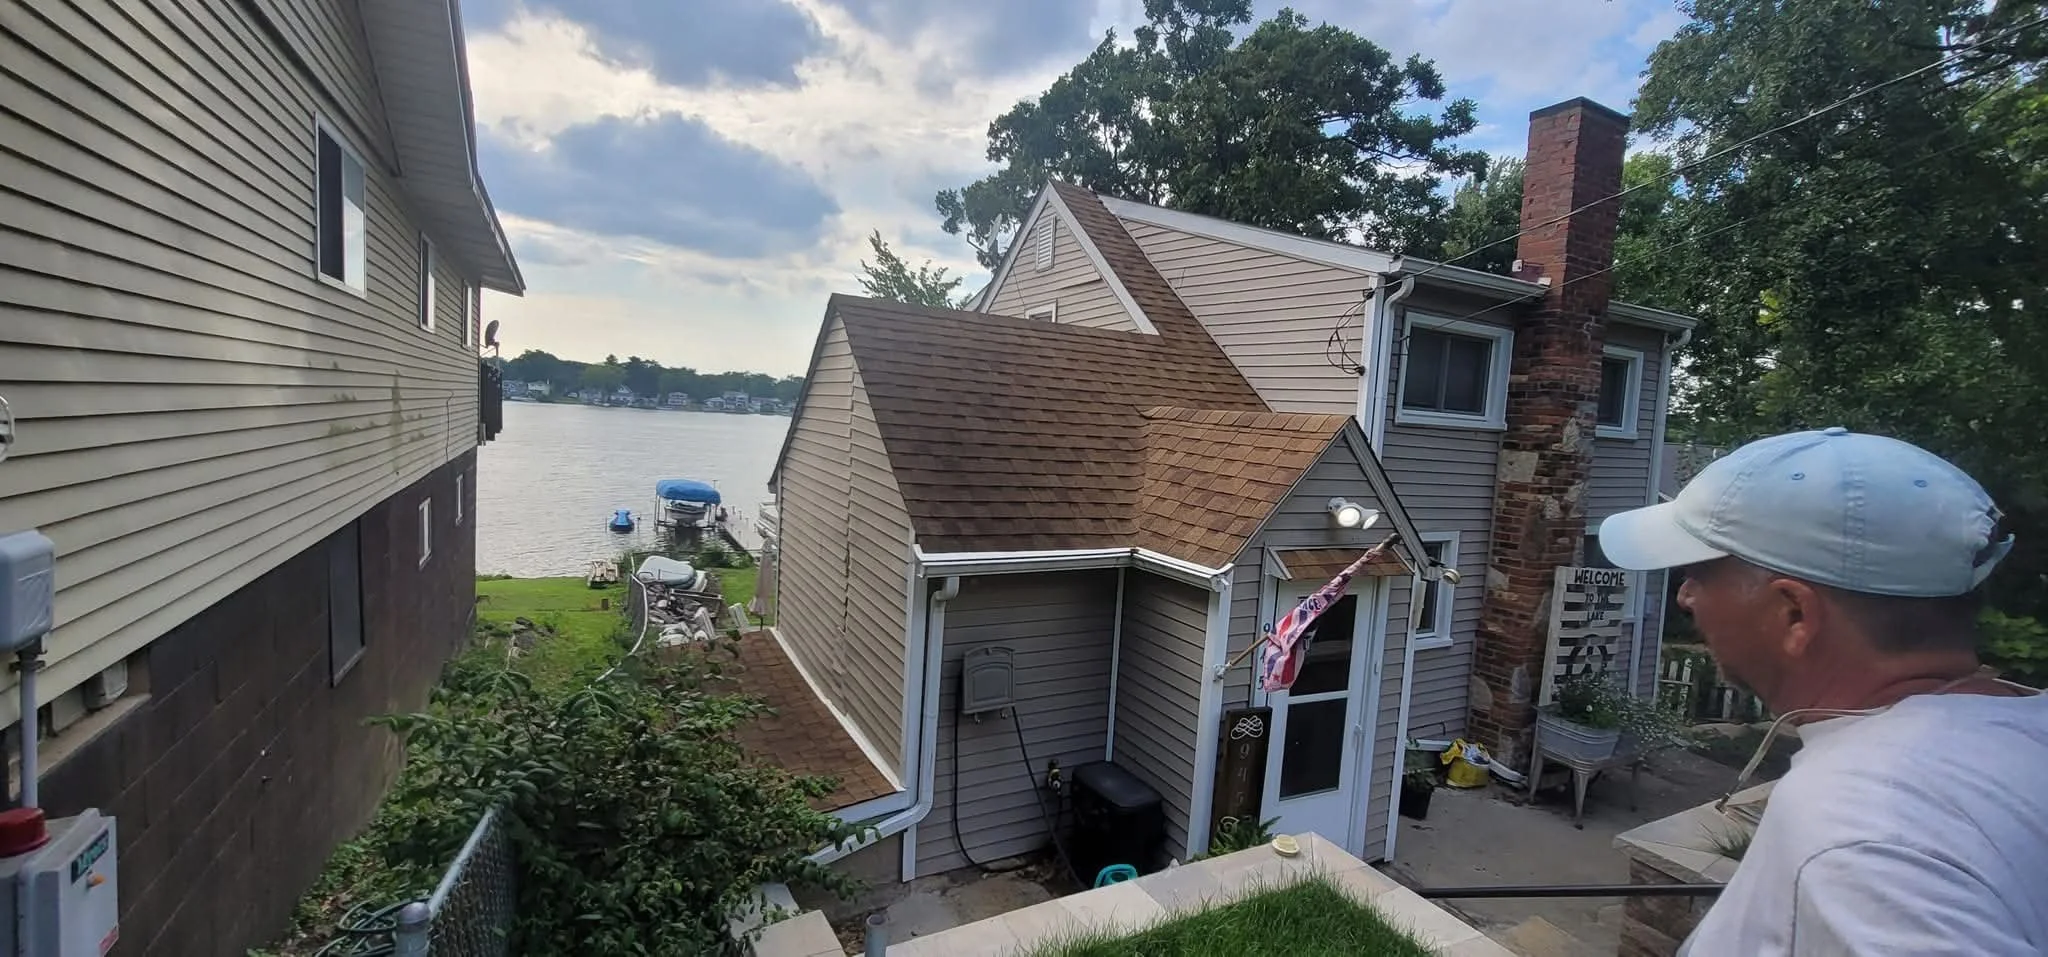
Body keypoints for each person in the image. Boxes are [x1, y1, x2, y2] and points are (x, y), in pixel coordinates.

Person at [1595, 427, 2046, 956]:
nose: (1687, 595)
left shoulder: (1862, 828)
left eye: (1700, 572)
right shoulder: (2020, 740)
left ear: (1794, 614)